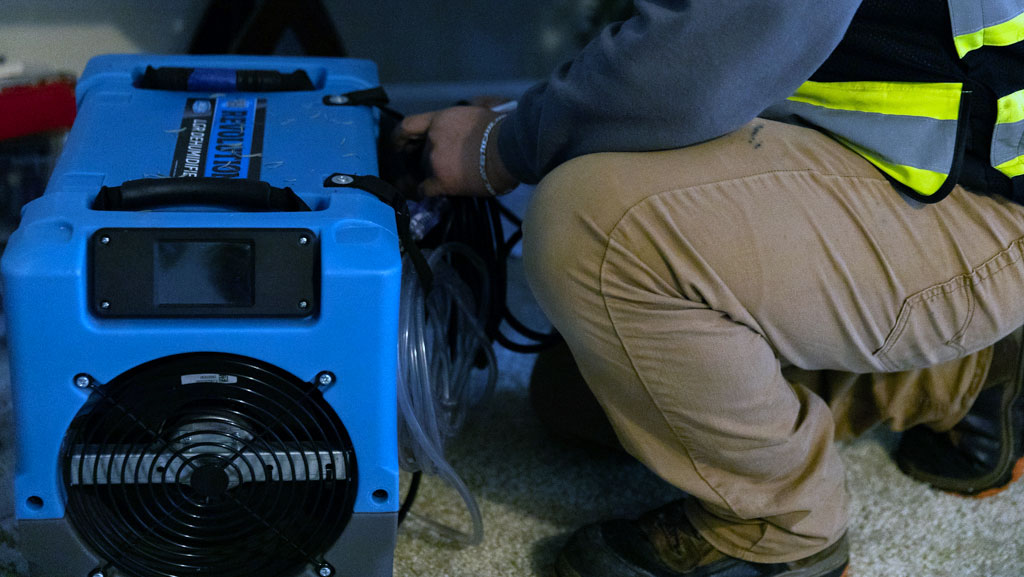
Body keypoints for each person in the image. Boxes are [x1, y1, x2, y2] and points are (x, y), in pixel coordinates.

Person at [393, 1, 1024, 575]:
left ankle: (779, 528)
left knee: (598, 232)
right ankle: (963, 374)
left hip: (979, 208)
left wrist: (497, 148)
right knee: (586, 394)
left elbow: (710, 61)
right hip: (885, 160)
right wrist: (530, 112)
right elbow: (683, 40)